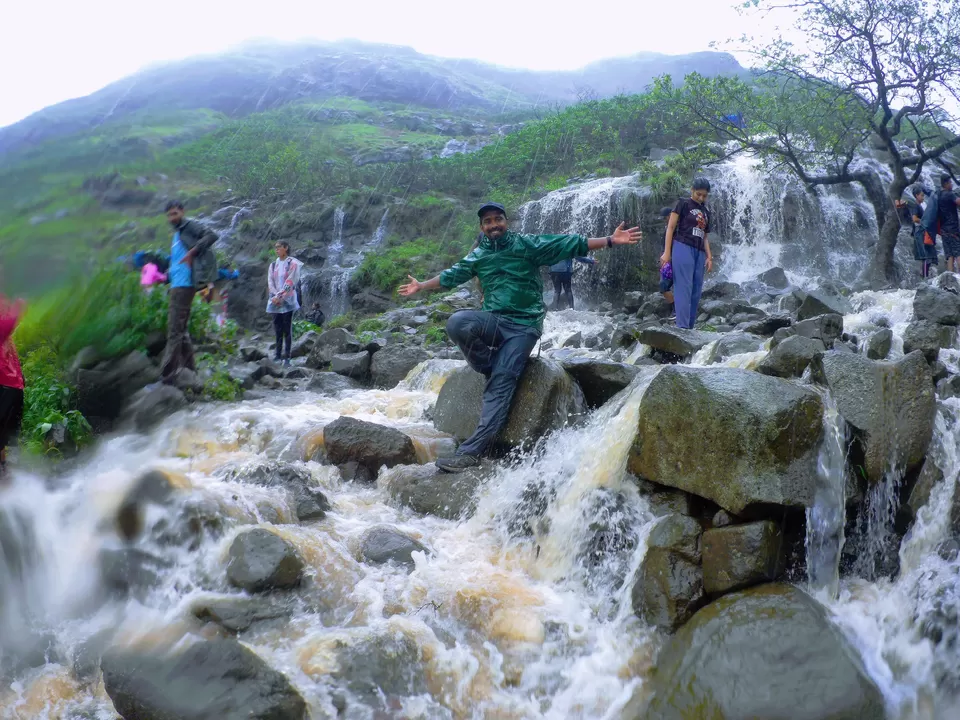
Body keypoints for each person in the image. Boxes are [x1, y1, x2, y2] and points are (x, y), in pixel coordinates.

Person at [399, 202, 641, 472]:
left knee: (501, 382)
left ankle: (471, 451)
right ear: (482, 227)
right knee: (458, 322)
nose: (494, 225)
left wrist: (610, 240)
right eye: (488, 222)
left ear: (506, 221)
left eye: (498, 219)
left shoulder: (526, 245)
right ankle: (490, 365)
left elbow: (567, 244)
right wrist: (422, 285)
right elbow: (450, 276)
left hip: (524, 325)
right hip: (493, 321)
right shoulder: (479, 255)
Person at [160, 201, 219, 385]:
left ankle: (167, 376)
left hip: (185, 284)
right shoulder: (178, 233)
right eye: (169, 215)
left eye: (175, 213)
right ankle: (191, 372)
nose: (172, 218)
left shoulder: (189, 226)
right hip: (177, 283)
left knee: (174, 330)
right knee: (181, 329)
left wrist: (192, 253)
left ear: (182, 212)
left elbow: (211, 235)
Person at [661, 178, 713, 329]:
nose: (701, 198)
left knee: (696, 290)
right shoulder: (683, 204)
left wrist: (709, 256)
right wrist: (666, 252)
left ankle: (689, 328)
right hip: (682, 246)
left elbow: (705, 236)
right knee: (684, 287)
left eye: (704, 196)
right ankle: (682, 327)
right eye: (699, 194)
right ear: (692, 190)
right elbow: (670, 228)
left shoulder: (706, 212)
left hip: (700, 252)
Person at [267, 241, 304, 366]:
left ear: (286, 248)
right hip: (275, 300)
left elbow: (291, 281)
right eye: (275, 248)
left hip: (287, 299)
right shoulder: (273, 265)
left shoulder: (293, 264)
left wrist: (281, 296)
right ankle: (277, 355)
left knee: (287, 329)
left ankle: (287, 357)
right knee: (277, 328)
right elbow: (270, 282)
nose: (276, 250)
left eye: (279, 247)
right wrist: (275, 296)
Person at [0, 297, 24, 481]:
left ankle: (4, 470)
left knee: (4, 435)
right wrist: (19, 306)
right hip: (5, 385)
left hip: (12, 385)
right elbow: (6, 326)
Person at [897, 186, 937, 278]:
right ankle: (924, 276)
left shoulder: (915, 205)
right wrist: (925, 221)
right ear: (916, 195)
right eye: (922, 196)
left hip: (920, 232)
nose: (923, 198)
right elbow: (914, 219)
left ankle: (924, 275)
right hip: (921, 233)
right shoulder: (915, 205)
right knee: (927, 256)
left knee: (926, 256)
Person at [936, 175, 960, 273]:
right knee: (958, 252)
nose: (951, 184)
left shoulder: (938, 195)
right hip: (953, 229)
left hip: (943, 229)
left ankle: (951, 276)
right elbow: (958, 202)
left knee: (949, 255)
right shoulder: (950, 194)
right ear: (946, 184)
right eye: (950, 182)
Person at [657, 206, 675, 304]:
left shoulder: (676, 228)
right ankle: (675, 307)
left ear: (670, 216)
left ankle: (676, 309)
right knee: (663, 286)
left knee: (664, 285)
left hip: (674, 262)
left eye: (665, 218)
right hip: (668, 262)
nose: (664, 220)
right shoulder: (668, 228)